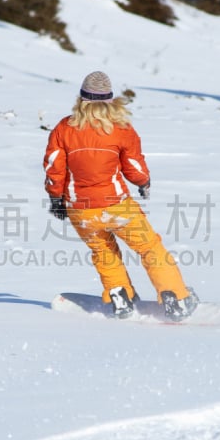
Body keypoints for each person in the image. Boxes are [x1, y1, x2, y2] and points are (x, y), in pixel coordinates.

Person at [43, 71, 199, 321]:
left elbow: (54, 167)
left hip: (80, 209)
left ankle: (120, 296)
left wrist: (55, 198)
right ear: (109, 100)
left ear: (81, 99)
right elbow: (134, 165)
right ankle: (176, 298)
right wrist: (143, 182)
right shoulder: (120, 128)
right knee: (149, 248)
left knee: (103, 250)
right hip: (117, 207)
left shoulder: (64, 128)